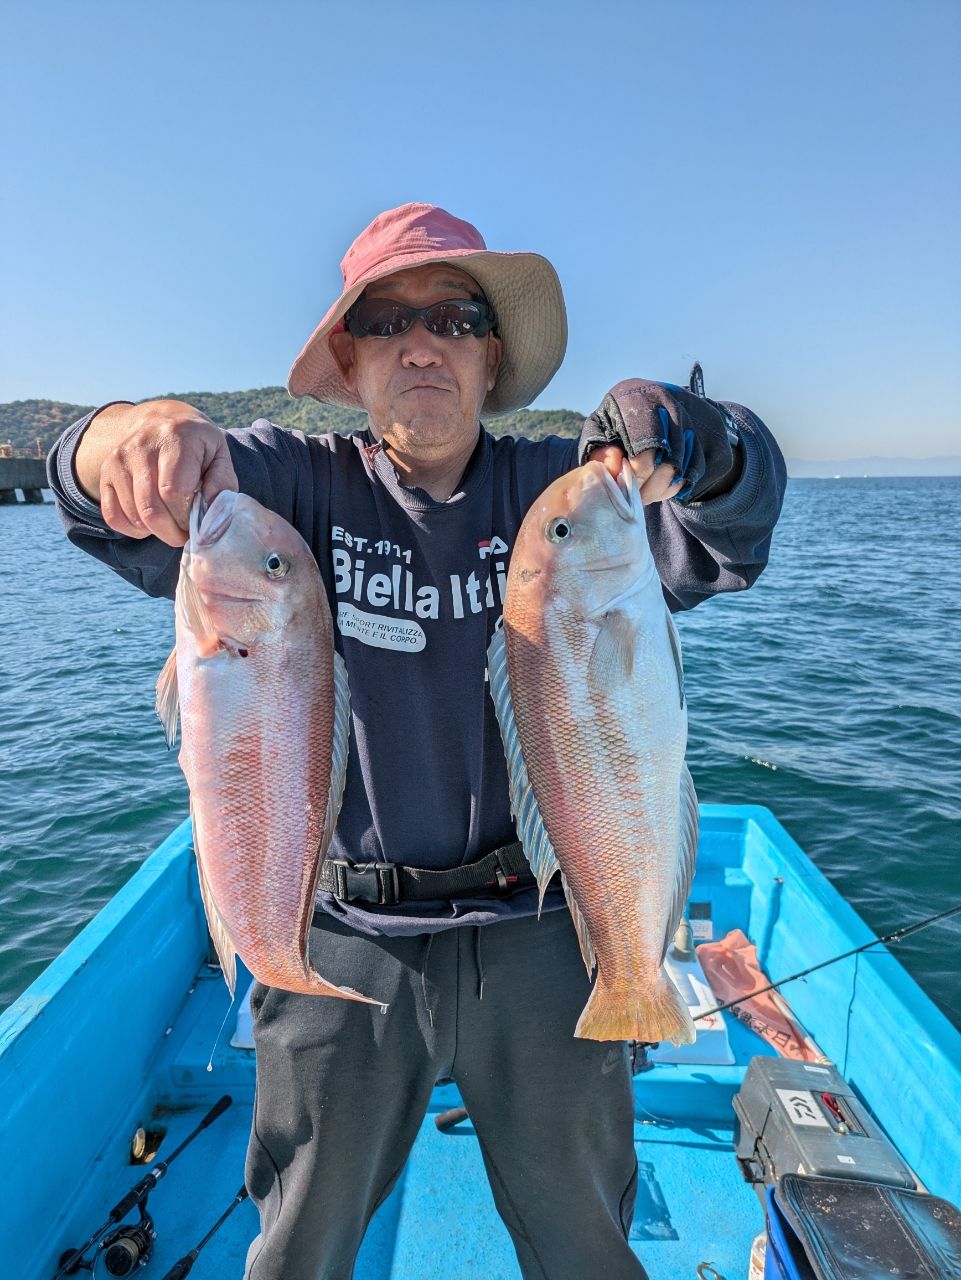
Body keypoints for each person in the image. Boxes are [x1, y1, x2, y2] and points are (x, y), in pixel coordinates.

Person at [48, 202, 786, 1280]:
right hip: (342, 920)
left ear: (491, 355)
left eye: (452, 315)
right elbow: (92, 494)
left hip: (540, 917)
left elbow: (733, 528)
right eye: (387, 322)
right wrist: (118, 435)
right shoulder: (287, 486)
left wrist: (711, 440)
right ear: (350, 365)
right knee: (297, 1241)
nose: (422, 342)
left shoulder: (562, 497)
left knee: (586, 1239)